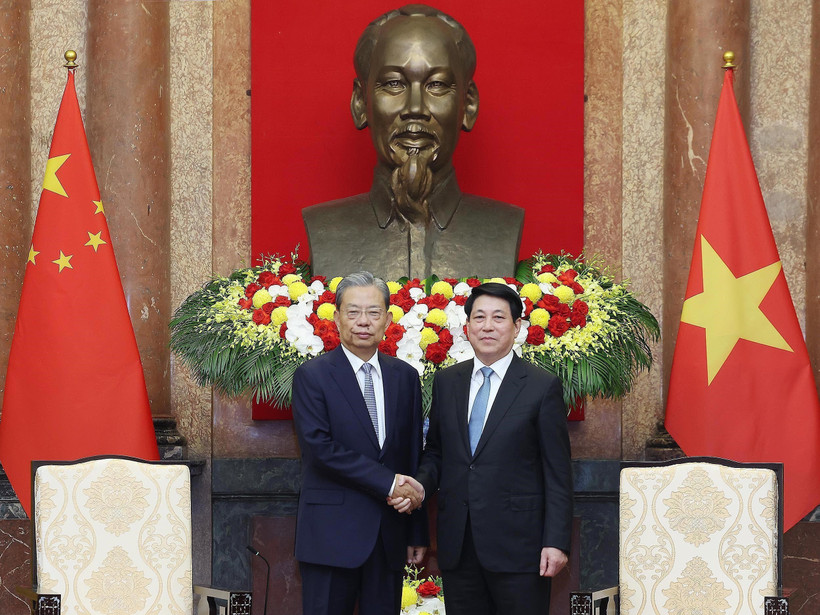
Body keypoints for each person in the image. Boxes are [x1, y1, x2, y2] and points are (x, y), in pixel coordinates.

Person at [302, 4, 524, 281]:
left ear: (468, 105)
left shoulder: (504, 226)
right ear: (361, 103)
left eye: (437, 84)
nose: (415, 107)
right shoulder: (324, 228)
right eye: (394, 84)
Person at [391, 282, 573, 615]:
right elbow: (436, 453)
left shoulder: (541, 386)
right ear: (467, 328)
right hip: (459, 544)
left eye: (498, 318)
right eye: (479, 318)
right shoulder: (448, 382)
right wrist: (419, 485)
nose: (487, 326)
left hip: (521, 546)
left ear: (517, 327)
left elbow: (557, 471)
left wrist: (557, 541)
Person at [291, 271, 428, 615]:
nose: (363, 322)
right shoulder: (312, 376)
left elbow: (412, 456)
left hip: (389, 536)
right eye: (353, 312)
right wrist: (388, 482)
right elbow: (319, 449)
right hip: (330, 537)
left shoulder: (406, 377)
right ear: (336, 318)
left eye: (373, 312)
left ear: (388, 319)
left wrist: (417, 531)